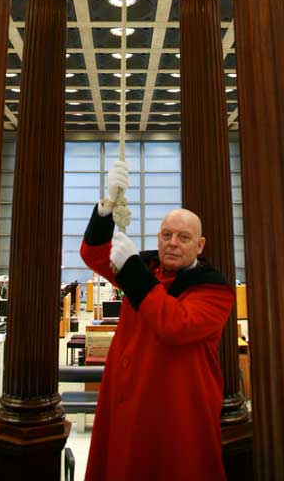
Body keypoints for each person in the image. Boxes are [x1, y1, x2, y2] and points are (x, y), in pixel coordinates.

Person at [80, 160, 235, 481]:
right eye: (166, 235)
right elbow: (93, 254)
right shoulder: (147, 266)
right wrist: (108, 204)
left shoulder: (213, 288)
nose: (172, 243)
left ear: (200, 244)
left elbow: (174, 325)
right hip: (130, 399)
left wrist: (132, 269)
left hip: (178, 407)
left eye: (183, 237)